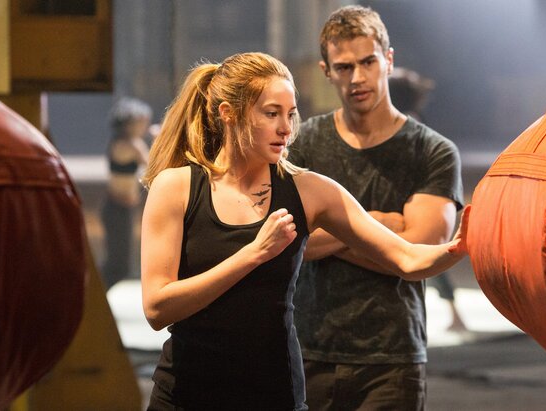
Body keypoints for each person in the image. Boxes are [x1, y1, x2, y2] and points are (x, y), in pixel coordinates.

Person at [140, 51, 468, 410]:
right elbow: (157, 308)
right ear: (228, 113)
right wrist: (253, 254)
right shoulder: (177, 187)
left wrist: (462, 246)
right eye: (271, 113)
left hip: (274, 396)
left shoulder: (309, 190)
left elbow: (407, 258)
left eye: (290, 114)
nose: (286, 128)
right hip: (184, 396)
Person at [287, 5, 464, 410]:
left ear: (388, 59)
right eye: (344, 67)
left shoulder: (432, 151)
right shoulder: (304, 144)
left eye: (368, 62)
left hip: (393, 358)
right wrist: (377, 226)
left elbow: (419, 253)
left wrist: (329, 228)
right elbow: (289, 241)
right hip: (308, 351)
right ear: (327, 71)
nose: (357, 77)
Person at [389, 67, 468, 332]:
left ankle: (453, 315)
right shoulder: (412, 118)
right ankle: (452, 315)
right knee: (424, 259)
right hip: (418, 196)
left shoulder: (405, 123)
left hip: (415, 198)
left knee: (425, 257)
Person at [100, 97, 152, 289]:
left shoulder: (122, 141)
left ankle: (95, 296)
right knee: (118, 266)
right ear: (129, 123)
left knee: (118, 264)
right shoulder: (131, 144)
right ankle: (94, 297)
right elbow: (153, 166)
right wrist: (160, 139)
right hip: (118, 209)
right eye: (141, 122)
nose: (144, 126)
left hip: (120, 209)